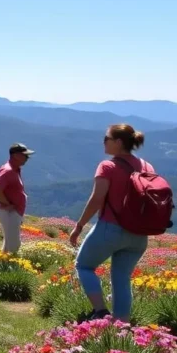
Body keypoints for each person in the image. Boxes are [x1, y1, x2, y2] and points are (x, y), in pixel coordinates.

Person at [69, 124, 154, 321]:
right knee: (121, 279)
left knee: (84, 266)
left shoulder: (107, 166)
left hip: (111, 228)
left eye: (106, 138)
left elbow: (97, 199)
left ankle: (100, 311)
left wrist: (79, 225)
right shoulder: (147, 166)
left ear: (118, 142)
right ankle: (121, 328)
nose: (103, 142)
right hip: (139, 234)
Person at [0, 143, 33, 254]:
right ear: (16, 155)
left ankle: (2, 264)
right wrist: (7, 203)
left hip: (12, 212)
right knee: (14, 244)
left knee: (8, 243)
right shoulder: (8, 170)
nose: (27, 157)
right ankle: (11, 267)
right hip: (9, 212)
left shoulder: (14, 169)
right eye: (25, 155)